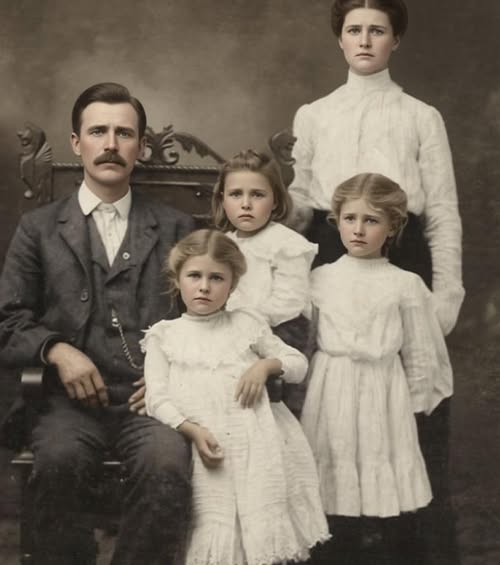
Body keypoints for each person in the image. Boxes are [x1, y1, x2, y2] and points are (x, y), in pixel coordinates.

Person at [289, 2, 464, 561]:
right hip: (329, 255)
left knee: (412, 416)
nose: (365, 40)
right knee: (329, 409)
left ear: (396, 40)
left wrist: (446, 294)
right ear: (339, 40)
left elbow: (442, 211)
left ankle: (414, 549)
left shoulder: (421, 116)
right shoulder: (314, 114)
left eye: (378, 30)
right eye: (354, 30)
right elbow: (300, 202)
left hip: (403, 260)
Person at [0, 82, 194, 565]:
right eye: (98, 132)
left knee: (166, 464)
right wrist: (57, 350)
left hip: (150, 402)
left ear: (141, 146)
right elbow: (7, 318)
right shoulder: (39, 228)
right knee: (58, 460)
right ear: (76, 142)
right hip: (66, 406)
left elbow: (200, 320)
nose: (111, 144)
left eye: (124, 133)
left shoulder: (175, 227)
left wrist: (171, 378)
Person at [142, 229, 329, 565]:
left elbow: (298, 364)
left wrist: (266, 366)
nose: (204, 287)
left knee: (259, 533)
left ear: (232, 284)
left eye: (217, 278)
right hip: (204, 443)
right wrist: (191, 429)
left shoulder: (246, 323)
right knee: (214, 531)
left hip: (257, 444)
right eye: (194, 276)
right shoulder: (164, 335)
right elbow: (156, 398)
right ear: (177, 280)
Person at [301, 172, 453, 564]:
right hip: (330, 389)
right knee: (330, 481)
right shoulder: (318, 278)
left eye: (371, 220)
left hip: (383, 394)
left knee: (379, 486)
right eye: (350, 218)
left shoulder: (405, 284)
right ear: (336, 220)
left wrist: (412, 408)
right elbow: (304, 342)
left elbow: (421, 354)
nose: (358, 229)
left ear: (392, 227)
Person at [212, 149, 318, 414]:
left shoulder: (286, 243)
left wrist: (244, 326)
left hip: (278, 329)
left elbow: (289, 301)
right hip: (231, 330)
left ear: (275, 201)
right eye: (236, 194)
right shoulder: (223, 243)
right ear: (222, 199)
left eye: (257, 195)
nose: (246, 204)